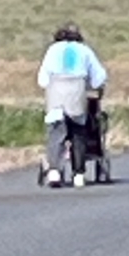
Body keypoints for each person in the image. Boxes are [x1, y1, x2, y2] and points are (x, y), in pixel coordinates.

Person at [37, 23, 107, 187]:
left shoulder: (52, 50)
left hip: (56, 93)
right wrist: (92, 86)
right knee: (78, 131)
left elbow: (42, 79)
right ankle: (78, 173)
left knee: (56, 130)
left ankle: (54, 171)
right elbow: (99, 77)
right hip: (77, 91)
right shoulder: (84, 50)